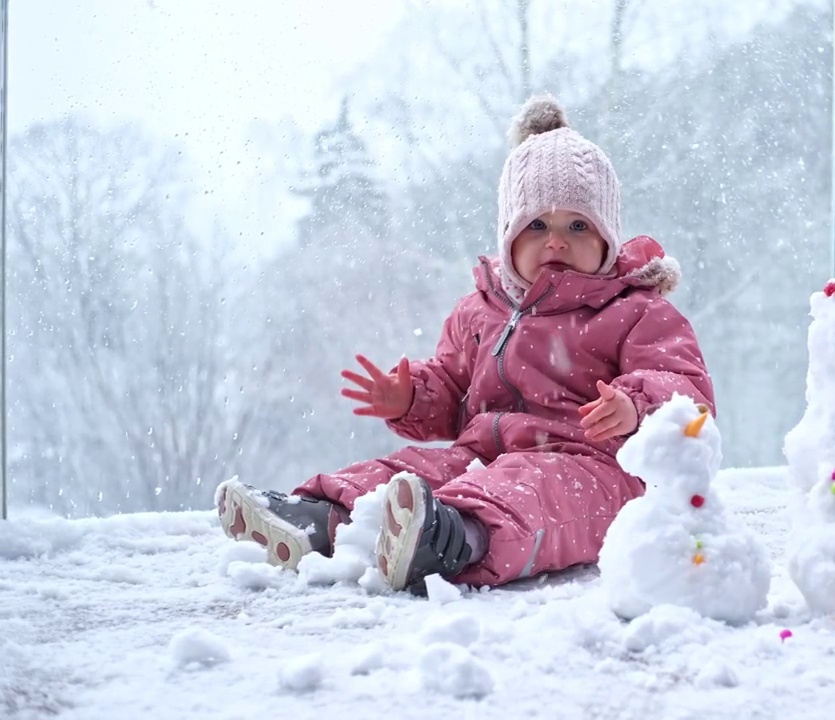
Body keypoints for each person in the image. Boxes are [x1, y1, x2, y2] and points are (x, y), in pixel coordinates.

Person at [215, 94, 715, 595]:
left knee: (533, 491)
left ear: (608, 239)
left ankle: (453, 538)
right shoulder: (481, 311)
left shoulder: (636, 311)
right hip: (482, 455)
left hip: (596, 469)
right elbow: (454, 389)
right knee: (414, 472)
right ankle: (321, 521)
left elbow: (684, 390)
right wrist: (412, 398)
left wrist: (636, 406)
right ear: (508, 236)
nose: (556, 241)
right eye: (537, 225)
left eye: (578, 226)